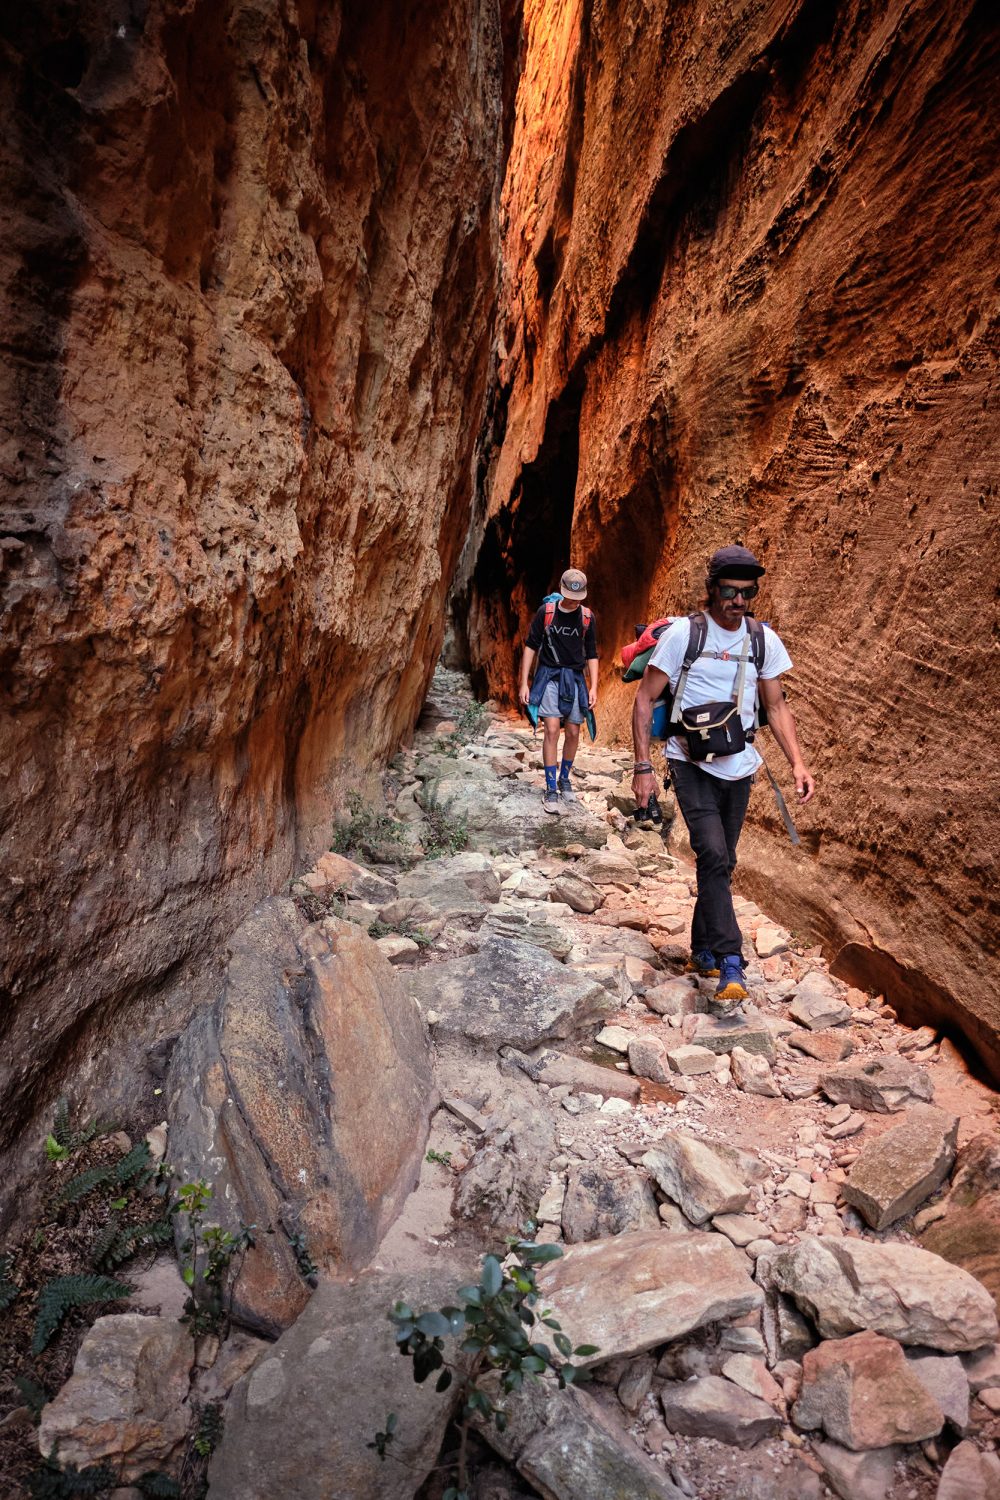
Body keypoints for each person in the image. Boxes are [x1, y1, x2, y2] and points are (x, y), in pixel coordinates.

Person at [631, 545, 815, 1001]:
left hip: (740, 766)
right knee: (713, 853)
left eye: (746, 591)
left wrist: (798, 761)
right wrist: (643, 768)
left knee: (722, 860)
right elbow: (642, 699)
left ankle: (702, 950)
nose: (738, 600)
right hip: (688, 761)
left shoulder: (761, 640)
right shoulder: (682, 636)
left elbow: (775, 705)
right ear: (712, 589)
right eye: (730, 590)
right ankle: (732, 962)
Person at [519, 568, 599, 814]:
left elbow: (592, 653)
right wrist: (524, 682)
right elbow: (531, 646)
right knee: (552, 729)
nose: (575, 601)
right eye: (571, 596)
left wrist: (594, 686)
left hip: (574, 679)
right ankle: (550, 788)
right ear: (563, 591)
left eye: (579, 597)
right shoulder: (547, 613)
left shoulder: (586, 617)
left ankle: (565, 779)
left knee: (574, 731)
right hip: (550, 677)